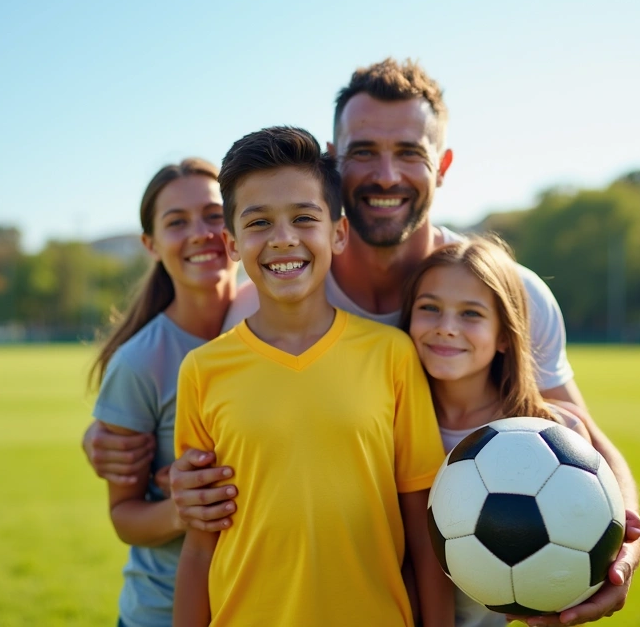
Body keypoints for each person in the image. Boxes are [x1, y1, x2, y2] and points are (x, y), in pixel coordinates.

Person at [85, 59, 640, 626]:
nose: (384, 174)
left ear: (442, 165)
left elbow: (579, 439)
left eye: (408, 152)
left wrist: (622, 550)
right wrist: (116, 428)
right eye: (364, 151)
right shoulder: (243, 317)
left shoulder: (504, 294)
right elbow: (218, 439)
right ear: (336, 155)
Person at [173, 126, 452, 627]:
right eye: (259, 223)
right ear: (232, 244)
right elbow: (200, 545)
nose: (284, 239)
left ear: (338, 234)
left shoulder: (392, 355)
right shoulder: (202, 370)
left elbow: (422, 528)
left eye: (304, 217)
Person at [401, 236, 594, 625]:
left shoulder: (555, 434)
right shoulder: (386, 422)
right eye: (429, 308)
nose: (447, 328)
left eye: (470, 314)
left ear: (504, 335)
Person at [89, 158, 239, 627]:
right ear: (151, 245)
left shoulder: (279, 327)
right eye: (177, 222)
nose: (200, 233)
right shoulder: (139, 362)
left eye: (214, 215)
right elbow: (124, 515)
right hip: (159, 612)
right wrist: (181, 510)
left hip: (258, 605)